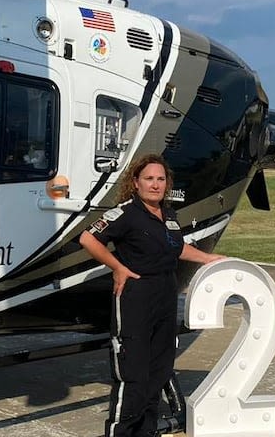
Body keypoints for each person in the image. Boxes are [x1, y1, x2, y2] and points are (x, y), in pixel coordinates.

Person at [78, 153, 224, 437]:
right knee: (133, 375)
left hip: (165, 297)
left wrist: (207, 258)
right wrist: (117, 268)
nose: (155, 185)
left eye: (160, 179)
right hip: (136, 296)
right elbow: (88, 238)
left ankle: (146, 432)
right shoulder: (126, 213)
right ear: (136, 182)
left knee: (159, 371)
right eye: (149, 179)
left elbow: (178, 248)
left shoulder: (168, 214)